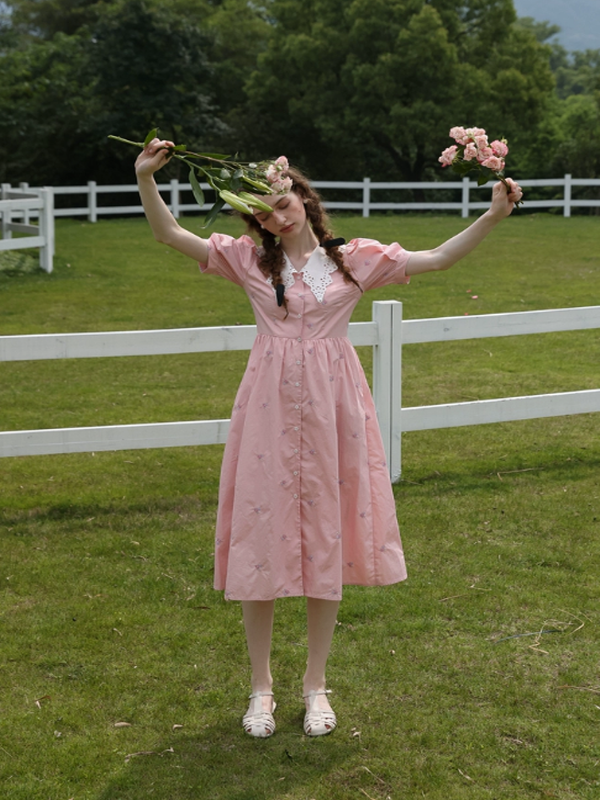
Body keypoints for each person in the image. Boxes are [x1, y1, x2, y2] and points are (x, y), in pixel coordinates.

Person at [135, 139, 522, 739]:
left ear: (304, 198)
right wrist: (145, 179)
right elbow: (171, 236)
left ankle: (316, 685)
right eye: (263, 213)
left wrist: (493, 215)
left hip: (334, 408)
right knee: (260, 539)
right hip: (266, 409)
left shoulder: (355, 259)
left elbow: (439, 258)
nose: (276, 217)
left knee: (326, 541)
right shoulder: (249, 260)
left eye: (283, 203)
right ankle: (261, 688)